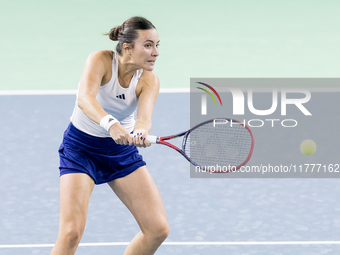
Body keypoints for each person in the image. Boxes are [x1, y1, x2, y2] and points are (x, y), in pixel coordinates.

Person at [50, 16, 169, 255]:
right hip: (80, 149)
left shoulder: (149, 79)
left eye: (157, 45)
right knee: (71, 233)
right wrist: (112, 124)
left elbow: (143, 119)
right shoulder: (101, 60)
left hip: (119, 152)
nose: (156, 52)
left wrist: (140, 132)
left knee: (157, 229)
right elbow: (85, 98)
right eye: (148, 45)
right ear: (127, 47)